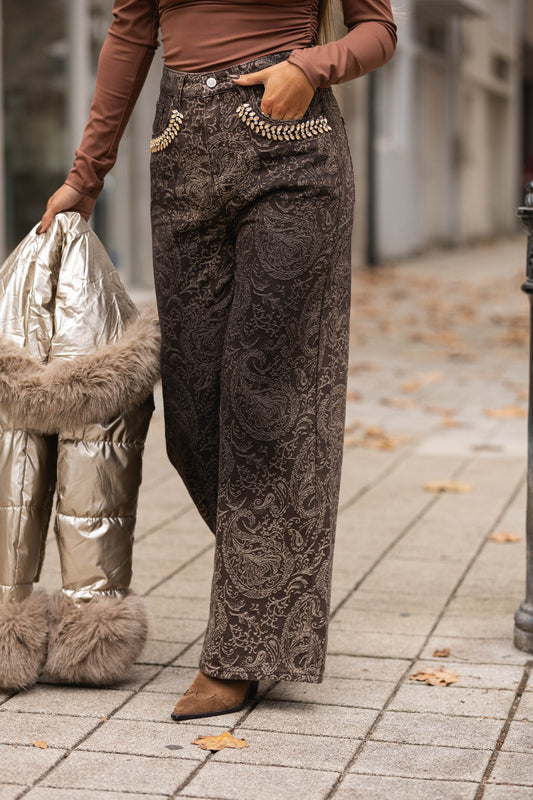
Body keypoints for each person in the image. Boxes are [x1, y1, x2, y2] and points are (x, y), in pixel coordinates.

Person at [39, 0, 397, 721]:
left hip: (294, 152)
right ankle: (275, 594)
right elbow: (131, 29)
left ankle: (243, 652)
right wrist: (87, 173)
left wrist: (308, 66)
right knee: (194, 421)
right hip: (179, 148)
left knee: (266, 406)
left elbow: (377, 30)